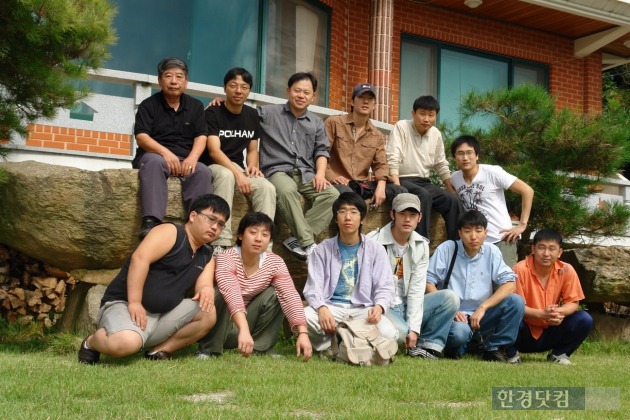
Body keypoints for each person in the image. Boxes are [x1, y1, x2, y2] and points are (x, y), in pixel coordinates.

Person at [78, 194, 230, 364]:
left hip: (163, 314)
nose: (215, 227)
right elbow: (140, 259)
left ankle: (159, 350)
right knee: (126, 344)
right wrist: (135, 302)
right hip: (125, 305)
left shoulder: (206, 255)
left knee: (208, 312)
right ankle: (91, 342)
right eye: (211, 219)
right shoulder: (171, 232)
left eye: (220, 224)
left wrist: (207, 289)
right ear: (193, 216)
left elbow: (204, 284)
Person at [196, 212, 312, 360]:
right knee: (221, 292)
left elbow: (289, 294)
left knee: (278, 293)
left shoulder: (274, 262)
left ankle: (261, 348)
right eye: (253, 232)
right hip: (219, 326)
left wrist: (302, 333)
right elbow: (231, 292)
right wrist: (243, 330)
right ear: (240, 235)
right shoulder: (226, 257)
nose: (258, 239)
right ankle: (208, 350)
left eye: (265, 235)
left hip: (245, 327)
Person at [366, 193, 459, 359]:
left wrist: (414, 328)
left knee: (450, 298)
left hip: (406, 304)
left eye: (412, 215)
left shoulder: (421, 245)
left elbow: (417, 289)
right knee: (401, 333)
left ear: (420, 217)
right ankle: (406, 336)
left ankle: (428, 346)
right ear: (392, 215)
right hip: (383, 306)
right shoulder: (373, 241)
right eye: (402, 214)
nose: (407, 219)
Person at [258, 72, 339, 260]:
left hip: (305, 173)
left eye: (306, 92)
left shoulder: (317, 122)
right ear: (288, 91)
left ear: (313, 96)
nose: (301, 95)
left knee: (332, 195)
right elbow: (241, 115)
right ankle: (308, 243)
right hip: (276, 170)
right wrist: (220, 103)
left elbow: (321, 151)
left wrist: (320, 174)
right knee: (287, 191)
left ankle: (295, 239)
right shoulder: (269, 113)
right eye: (297, 91)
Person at [303, 192, 398, 353]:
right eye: (342, 211)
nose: (348, 217)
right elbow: (313, 288)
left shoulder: (376, 250)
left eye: (354, 212)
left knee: (390, 333)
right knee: (303, 318)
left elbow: (385, 286)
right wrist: (321, 308)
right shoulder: (321, 250)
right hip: (332, 307)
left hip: (363, 309)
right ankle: (345, 345)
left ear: (362, 219)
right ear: (335, 218)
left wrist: (379, 307)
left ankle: (340, 344)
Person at [426, 210, 525, 363]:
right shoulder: (448, 248)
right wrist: (450, 310)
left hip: (482, 316)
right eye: (467, 231)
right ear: (459, 233)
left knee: (516, 301)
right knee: (460, 333)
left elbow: (510, 283)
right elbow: (428, 281)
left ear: (486, 233)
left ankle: (494, 348)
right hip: (456, 317)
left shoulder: (492, 251)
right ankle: (462, 346)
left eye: (478, 231)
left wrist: (483, 307)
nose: (473, 236)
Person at [132, 57, 213, 239]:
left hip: (186, 158)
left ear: (186, 81)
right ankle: (151, 221)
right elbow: (142, 137)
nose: (174, 81)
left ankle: (199, 224)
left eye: (179, 76)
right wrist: (165, 153)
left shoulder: (196, 106)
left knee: (202, 171)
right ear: (160, 80)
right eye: (168, 76)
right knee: (153, 162)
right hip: (155, 155)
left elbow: (201, 136)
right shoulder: (148, 105)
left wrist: (193, 158)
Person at [201, 68, 276, 253]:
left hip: (236, 165)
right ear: (225, 88)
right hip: (213, 164)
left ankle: (264, 247)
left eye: (244, 87)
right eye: (233, 86)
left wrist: (252, 167)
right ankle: (221, 242)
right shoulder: (213, 112)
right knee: (226, 175)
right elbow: (214, 150)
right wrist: (238, 175)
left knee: (267, 187)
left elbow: (252, 149)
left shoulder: (251, 115)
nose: (238, 91)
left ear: (249, 90)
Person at [509, 229, 592, 365]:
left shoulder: (567, 270)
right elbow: (515, 307)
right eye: (541, 248)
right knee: (508, 316)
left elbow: (573, 302)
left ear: (559, 252)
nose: (546, 254)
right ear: (533, 249)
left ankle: (559, 354)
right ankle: (511, 353)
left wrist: (558, 312)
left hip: (550, 330)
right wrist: (542, 314)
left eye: (552, 249)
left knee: (584, 319)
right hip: (522, 331)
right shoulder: (519, 269)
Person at [450, 135, 534, 267]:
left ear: (477, 155)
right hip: (474, 243)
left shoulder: (492, 172)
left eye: (469, 153)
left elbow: (527, 190)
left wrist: (522, 225)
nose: (465, 158)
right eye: (460, 154)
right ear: (455, 157)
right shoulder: (454, 178)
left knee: (505, 284)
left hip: (501, 239)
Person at [387, 95, 461, 241]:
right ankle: (420, 244)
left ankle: (457, 246)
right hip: (403, 179)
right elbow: (392, 157)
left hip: (423, 181)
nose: (426, 119)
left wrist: (451, 189)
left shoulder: (436, 134)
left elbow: (441, 163)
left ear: (436, 116)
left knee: (453, 200)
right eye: (422, 114)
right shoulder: (402, 126)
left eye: (431, 115)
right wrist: (396, 186)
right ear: (413, 113)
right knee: (423, 195)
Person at [325, 83, 406, 207]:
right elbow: (321, 153)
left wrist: (381, 185)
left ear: (374, 105)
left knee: (400, 191)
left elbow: (381, 165)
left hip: (360, 184)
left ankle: (394, 226)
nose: (366, 102)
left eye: (370, 99)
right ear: (352, 102)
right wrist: (332, 176)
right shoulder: (334, 123)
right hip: (338, 182)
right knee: (348, 194)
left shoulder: (376, 135)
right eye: (361, 97)